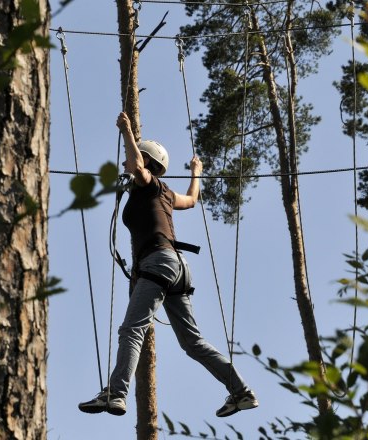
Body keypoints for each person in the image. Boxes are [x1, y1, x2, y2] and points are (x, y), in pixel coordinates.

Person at [78, 112, 258, 418]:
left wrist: (126, 131)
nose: (125, 165)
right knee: (192, 342)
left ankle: (116, 394)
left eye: (132, 159)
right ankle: (241, 392)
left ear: (145, 162)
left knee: (131, 330)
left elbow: (135, 165)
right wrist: (197, 171)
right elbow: (191, 199)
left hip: (159, 263)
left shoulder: (148, 185)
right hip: (176, 268)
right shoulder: (164, 194)